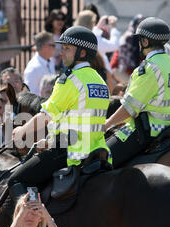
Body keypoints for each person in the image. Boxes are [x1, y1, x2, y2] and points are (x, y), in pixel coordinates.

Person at [8, 26, 111, 206]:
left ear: (82, 52)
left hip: (69, 151)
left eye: (67, 49)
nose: (61, 53)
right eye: (62, 48)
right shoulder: (100, 81)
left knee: (16, 181)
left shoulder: (70, 80)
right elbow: (75, 120)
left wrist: (21, 130)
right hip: (97, 151)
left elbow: (46, 115)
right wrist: (48, 141)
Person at [105, 17, 170, 168]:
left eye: (140, 40)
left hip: (147, 131)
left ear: (145, 42)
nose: (139, 44)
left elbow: (129, 107)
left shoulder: (149, 68)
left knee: (101, 159)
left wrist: (106, 124)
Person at [0, 0, 24, 72]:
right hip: (5, 34)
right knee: (3, 60)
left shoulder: (8, 0)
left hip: (7, 34)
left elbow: (9, 18)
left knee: (3, 60)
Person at [110, 14, 145, 83]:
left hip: (132, 70)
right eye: (139, 23)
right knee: (134, 85)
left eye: (143, 23)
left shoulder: (142, 38)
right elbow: (124, 65)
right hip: (119, 70)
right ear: (134, 24)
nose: (141, 26)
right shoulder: (128, 38)